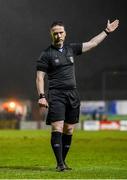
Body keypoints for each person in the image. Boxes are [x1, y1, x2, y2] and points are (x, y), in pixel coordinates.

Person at [36, 19, 119, 171]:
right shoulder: (46, 54)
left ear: (65, 34)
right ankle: (59, 164)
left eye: (61, 32)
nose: (59, 36)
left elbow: (92, 43)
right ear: (51, 35)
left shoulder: (71, 49)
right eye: (55, 33)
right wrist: (41, 95)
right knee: (58, 127)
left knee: (69, 130)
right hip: (56, 94)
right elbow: (40, 77)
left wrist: (106, 31)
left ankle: (63, 162)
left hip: (73, 94)